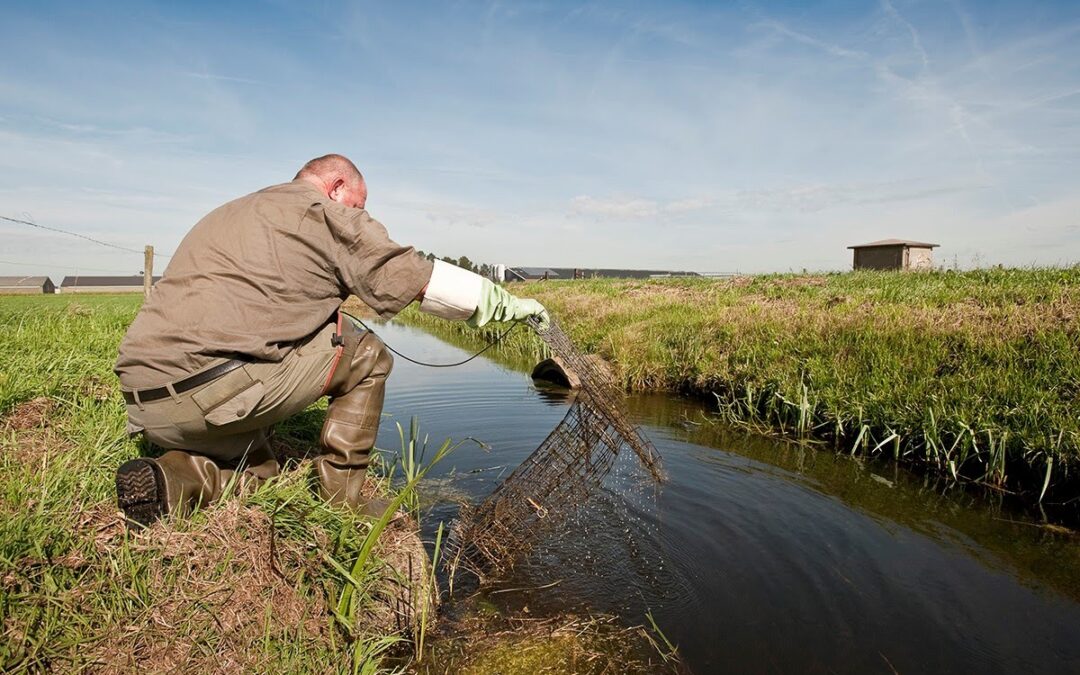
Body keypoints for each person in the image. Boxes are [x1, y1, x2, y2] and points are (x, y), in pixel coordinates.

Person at [113, 154, 547, 527]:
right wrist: (502, 304)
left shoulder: (233, 211)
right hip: (215, 391)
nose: (359, 213)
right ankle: (344, 499)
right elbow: (412, 276)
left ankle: (169, 482)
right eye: (359, 204)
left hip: (146, 403)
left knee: (262, 467)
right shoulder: (323, 212)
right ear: (337, 187)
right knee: (368, 355)